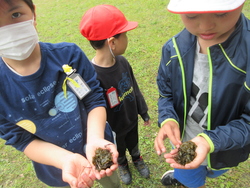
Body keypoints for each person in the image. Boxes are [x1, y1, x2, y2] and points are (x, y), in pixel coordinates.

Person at [0, 0, 121, 188]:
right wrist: (65, 160)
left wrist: (96, 139)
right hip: (60, 169)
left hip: (99, 147)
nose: (7, 29)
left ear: (33, 13)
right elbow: (21, 139)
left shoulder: (68, 56)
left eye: (15, 15)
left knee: (111, 183)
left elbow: (93, 99)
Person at [154, 0, 250, 187]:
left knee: (215, 169)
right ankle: (185, 179)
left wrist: (210, 141)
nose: (206, 26)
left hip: (225, 148)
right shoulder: (173, 48)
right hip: (184, 140)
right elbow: (166, 94)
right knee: (191, 180)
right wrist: (168, 118)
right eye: (191, 15)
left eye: (221, 14)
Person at [79, 4, 151, 185]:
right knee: (118, 149)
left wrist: (143, 111)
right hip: (113, 130)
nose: (127, 39)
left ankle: (136, 158)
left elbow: (134, 87)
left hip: (131, 120)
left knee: (133, 143)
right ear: (112, 42)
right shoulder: (90, 76)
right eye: (124, 35)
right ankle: (123, 164)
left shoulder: (123, 62)